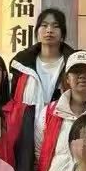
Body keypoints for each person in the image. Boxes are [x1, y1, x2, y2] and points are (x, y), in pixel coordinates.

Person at [9, 8, 76, 152]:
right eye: (44, 25)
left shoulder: (73, 64)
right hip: (26, 133)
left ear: (63, 33)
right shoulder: (21, 64)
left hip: (63, 134)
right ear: (37, 31)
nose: (49, 30)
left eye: (55, 26)